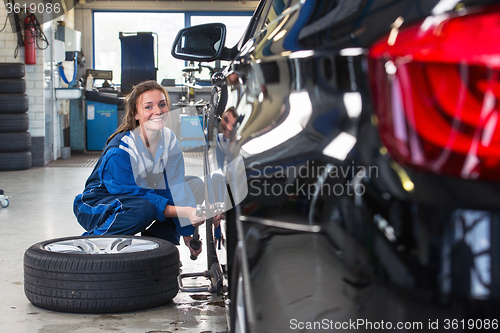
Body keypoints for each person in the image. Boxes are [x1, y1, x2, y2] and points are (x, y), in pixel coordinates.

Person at [73, 80, 204, 258]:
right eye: (148, 107)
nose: (158, 111)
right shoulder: (120, 152)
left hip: (139, 199)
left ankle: (159, 249)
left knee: (193, 185)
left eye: (162, 105)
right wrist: (186, 211)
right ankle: (91, 248)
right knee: (144, 208)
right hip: (97, 205)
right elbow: (140, 196)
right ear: (136, 114)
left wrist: (187, 232)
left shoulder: (169, 140)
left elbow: (175, 186)